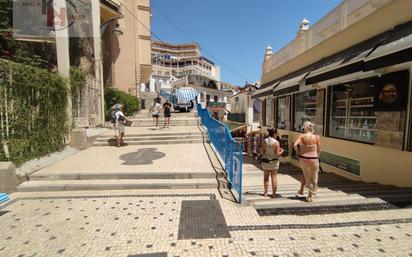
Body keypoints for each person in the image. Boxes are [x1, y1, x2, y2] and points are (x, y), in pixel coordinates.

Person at [293, 121, 321, 202]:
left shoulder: (302, 136)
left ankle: (303, 191)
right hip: (314, 159)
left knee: (306, 175)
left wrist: (298, 153)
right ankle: (309, 195)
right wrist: (317, 156)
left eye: (303, 127)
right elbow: (319, 149)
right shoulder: (317, 137)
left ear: (306, 128)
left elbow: (295, 145)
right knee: (313, 176)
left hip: (304, 158)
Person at [260, 128, 284, 198]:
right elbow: (277, 154)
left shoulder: (265, 141)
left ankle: (265, 193)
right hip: (274, 162)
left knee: (266, 177)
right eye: (277, 133)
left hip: (265, 161)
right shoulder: (276, 142)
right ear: (274, 134)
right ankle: (273, 193)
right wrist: (282, 151)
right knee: (274, 177)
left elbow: (262, 151)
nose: (277, 134)